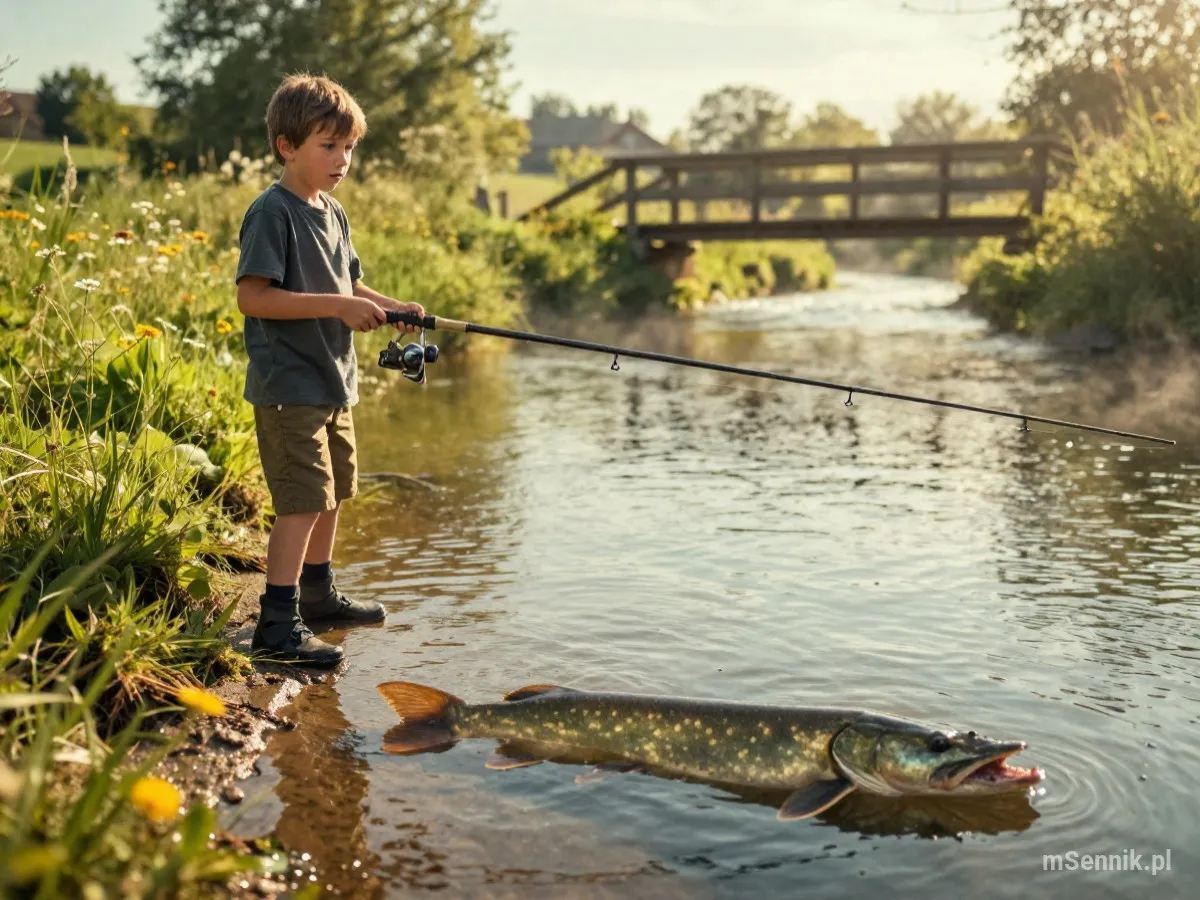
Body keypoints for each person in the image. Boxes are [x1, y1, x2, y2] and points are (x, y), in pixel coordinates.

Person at [234, 72, 425, 667]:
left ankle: (317, 596)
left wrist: (388, 306)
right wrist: (340, 307)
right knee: (301, 501)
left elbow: (350, 284)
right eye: (328, 145)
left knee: (336, 491)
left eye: (349, 147)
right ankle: (276, 623)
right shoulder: (273, 213)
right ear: (287, 147)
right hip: (290, 386)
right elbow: (254, 298)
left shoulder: (333, 213)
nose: (342, 159)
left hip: (334, 381)